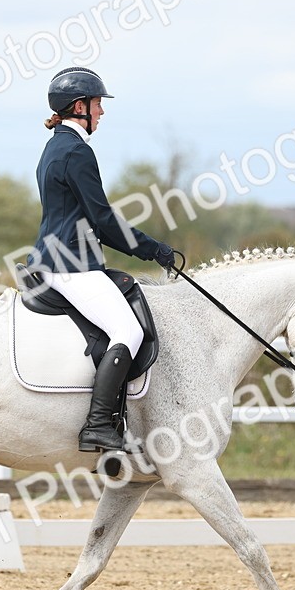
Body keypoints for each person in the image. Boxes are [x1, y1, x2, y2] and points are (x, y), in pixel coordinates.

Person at [28, 66, 177, 453]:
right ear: (79, 106)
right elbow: (103, 220)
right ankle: (97, 424)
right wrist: (152, 249)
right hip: (70, 265)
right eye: (97, 104)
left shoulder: (54, 147)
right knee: (129, 331)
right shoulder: (76, 150)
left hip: (56, 258)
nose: (102, 112)